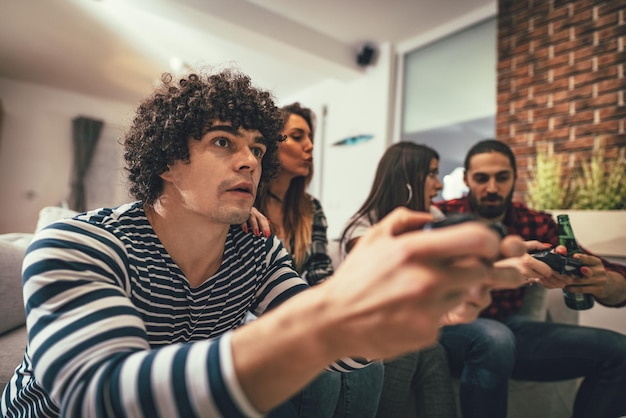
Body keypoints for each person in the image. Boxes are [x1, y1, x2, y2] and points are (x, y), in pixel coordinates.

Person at [0, 69, 527, 418]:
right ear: (165, 160)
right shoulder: (78, 243)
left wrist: (417, 303)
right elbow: (101, 396)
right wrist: (331, 317)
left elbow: (345, 353)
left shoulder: (256, 251)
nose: (251, 160)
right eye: (223, 142)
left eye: (257, 147)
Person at [435, 139, 626, 418]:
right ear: (466, 179)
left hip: (512, 329)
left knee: (620, 352)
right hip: (449, 328)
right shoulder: (442, 216)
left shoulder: (535, 223)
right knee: (495, 339)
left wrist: (606, 283)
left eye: (501, 178)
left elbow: (612, 273)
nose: (491, 188)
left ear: (514, 177)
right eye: (481, 178)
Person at [339, 142, 528, 418]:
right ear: (407, 178)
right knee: (415, 348)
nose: (438, 186)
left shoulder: (435, 217)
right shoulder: (363, 228)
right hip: (380, 323)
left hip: (424, 322)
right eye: (431, 174)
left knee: (430, 348)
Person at [254, 102, 383, 417]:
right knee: (320, 371)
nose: (310, 146)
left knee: (371, 363)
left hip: (304, 310)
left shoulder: (311, 209)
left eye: (310, 137)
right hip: (261, 319)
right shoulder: (246, 204)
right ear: (271, 145)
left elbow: (321, 275)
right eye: (297, 136)